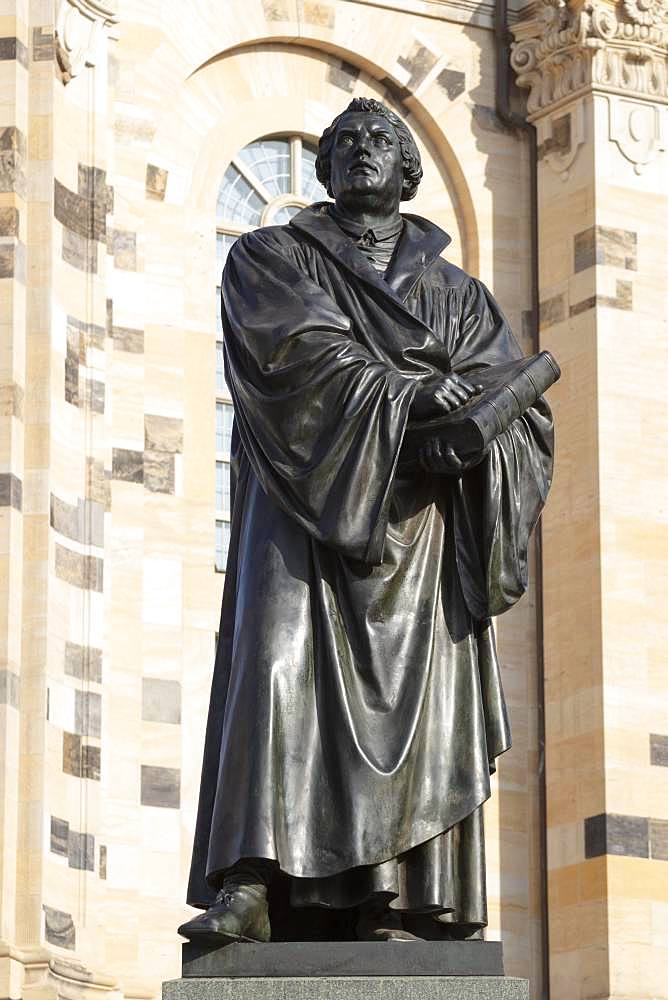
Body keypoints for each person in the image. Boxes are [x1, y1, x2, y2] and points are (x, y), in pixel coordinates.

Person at [178, 97, 553, 945]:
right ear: (326, 166)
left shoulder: (458, 293)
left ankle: (393, 895)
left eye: (380, 139)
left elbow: (517, 410)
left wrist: (484, 430)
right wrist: (414, 392)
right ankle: (251, 882)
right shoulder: (273, 256)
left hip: (418, 530)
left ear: (408, 168)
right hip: (300, 509)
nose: (359, 150)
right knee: (272, 672)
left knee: (418, 706)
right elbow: (293, 352)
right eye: (344, 141)